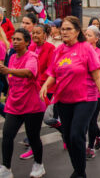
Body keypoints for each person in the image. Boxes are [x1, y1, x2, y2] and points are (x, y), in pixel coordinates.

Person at [39, 16, 100, 178]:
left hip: (86, 98)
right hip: (64, 99)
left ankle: (80, 173)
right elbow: (53, 73)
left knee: (76, 135)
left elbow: (97, 77)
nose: (64, 32)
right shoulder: (59, 50)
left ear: (77, 31)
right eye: (62, 29)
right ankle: (77, 169)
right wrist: (45, 85)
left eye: (68, 29)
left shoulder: (86, 48)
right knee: (67, 137)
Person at [0, 28, 46, 178]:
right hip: (14, 104)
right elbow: (11, 80)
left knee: (33, 137)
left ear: (27, 42)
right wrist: (8, 95)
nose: (14, 41)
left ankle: (39, 165)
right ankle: (6, 168)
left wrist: (8, 70)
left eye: (19, 39)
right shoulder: (12, 58)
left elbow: (29, 72)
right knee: (7, 135)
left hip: (32, 106)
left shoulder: (31, 56)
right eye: (13, 39)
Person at [20, 24, 58, 160]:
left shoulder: (51, 49)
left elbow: (50, 71)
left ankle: (32, 145)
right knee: (36, 118)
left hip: (45, 88)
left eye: (38, 33)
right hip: (31, 88)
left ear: (45, 35)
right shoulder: (30, 48)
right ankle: (64, 131)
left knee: (38, 119)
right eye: (33, 33)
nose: (35, 36)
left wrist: (40, 83)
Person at [85, 25, 100, 159]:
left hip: (98, 91)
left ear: (97, 38)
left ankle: (90, 147)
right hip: (84, 90)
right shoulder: (82, 51)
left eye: (89, 35)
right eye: (85, 35)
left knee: (91, 120)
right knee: (88, 120)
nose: (86, 37)